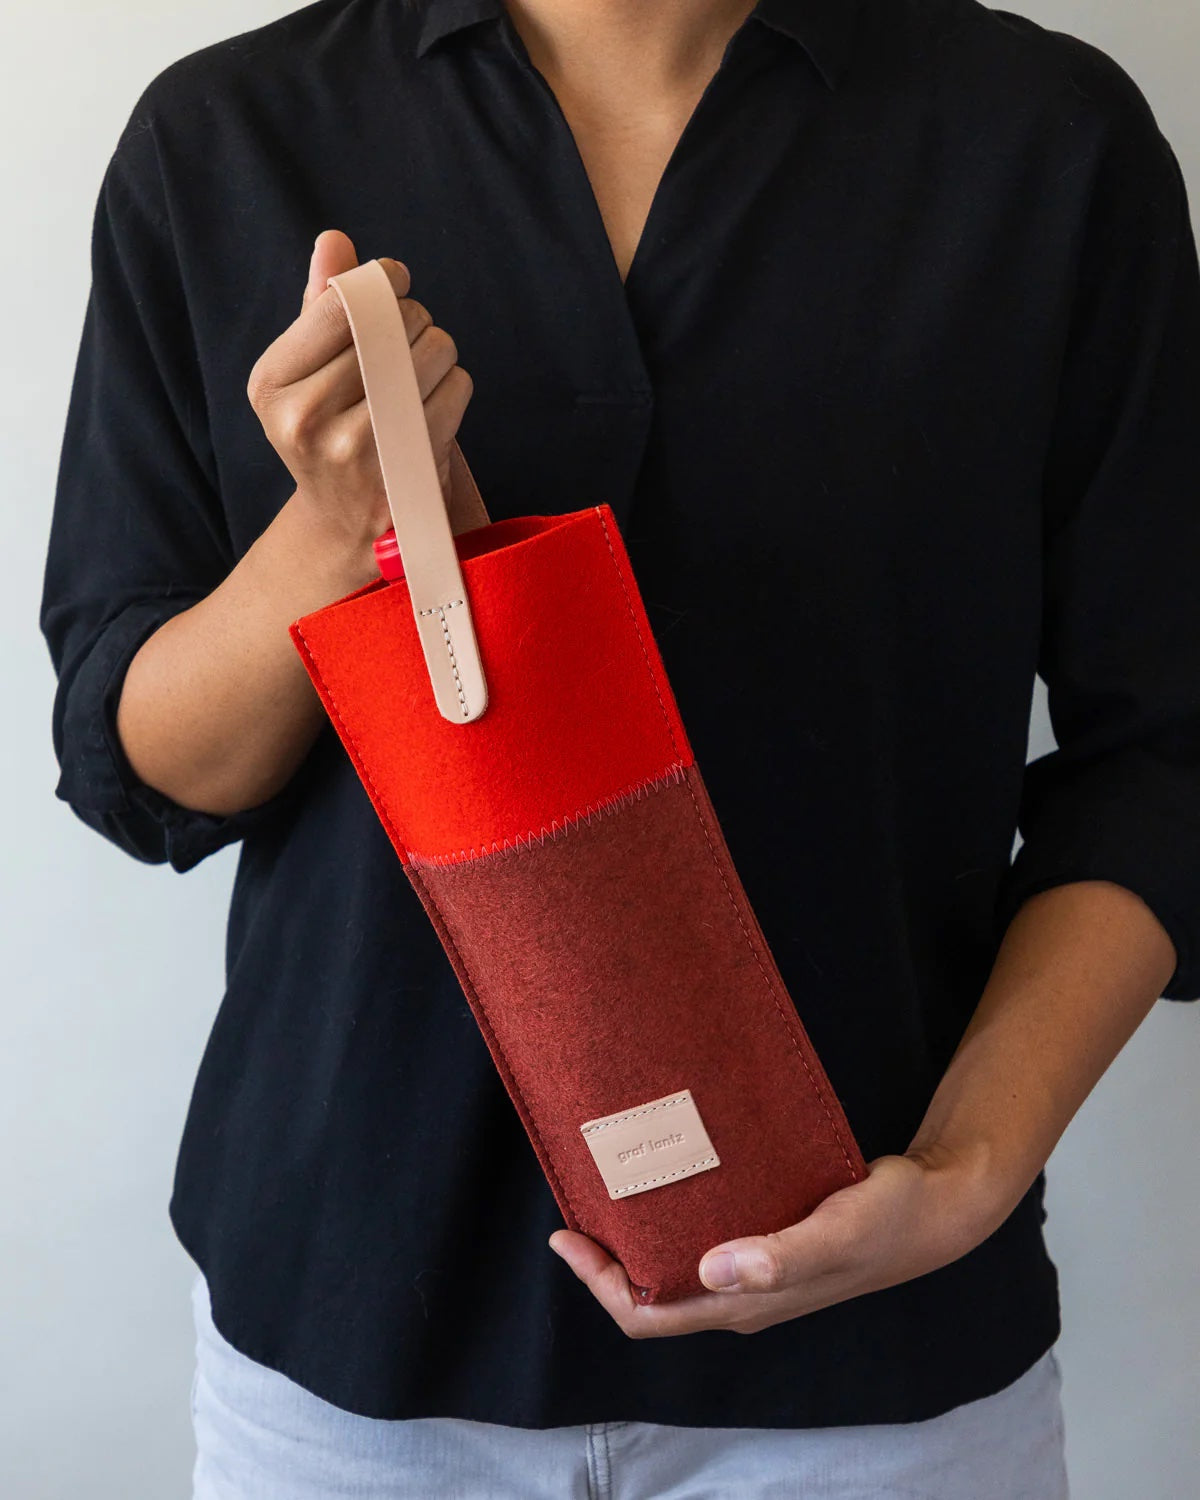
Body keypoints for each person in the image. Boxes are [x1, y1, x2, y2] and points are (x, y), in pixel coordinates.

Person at [39, 0, 1200, 1495]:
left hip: (883, 1367)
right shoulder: (226, 136)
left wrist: (969, 1170)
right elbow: (142, 769)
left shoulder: (1047, 142)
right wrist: (334, 533)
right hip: (354, 1363)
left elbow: (1163, 754)